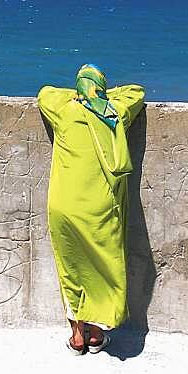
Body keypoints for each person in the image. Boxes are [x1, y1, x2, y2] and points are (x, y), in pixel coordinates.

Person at [37, 64, 146, 355]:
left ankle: (76, 336)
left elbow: (45, 93)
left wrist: (77, 96)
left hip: (65, 206)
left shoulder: (65, 111)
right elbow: (136, 92)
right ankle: (97, 334)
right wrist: (102, 97)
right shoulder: (115, 114)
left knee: (71, 267)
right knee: (102, 266)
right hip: (100, 207)